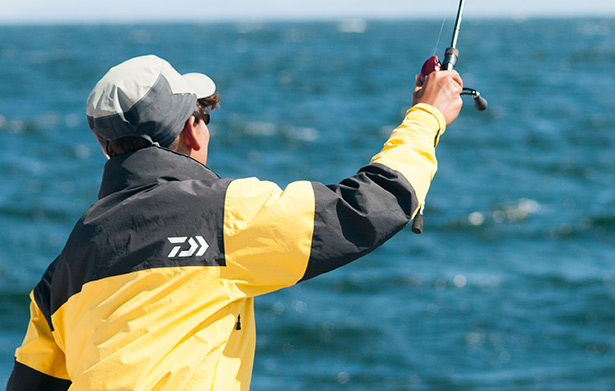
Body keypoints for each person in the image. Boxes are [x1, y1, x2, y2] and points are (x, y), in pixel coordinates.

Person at [6, 54, 463, 390]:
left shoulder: (62, 270)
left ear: (108, 148)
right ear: (191, 131)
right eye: (202, 115)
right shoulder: (221, 214)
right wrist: (428, 115)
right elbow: (372, 205)